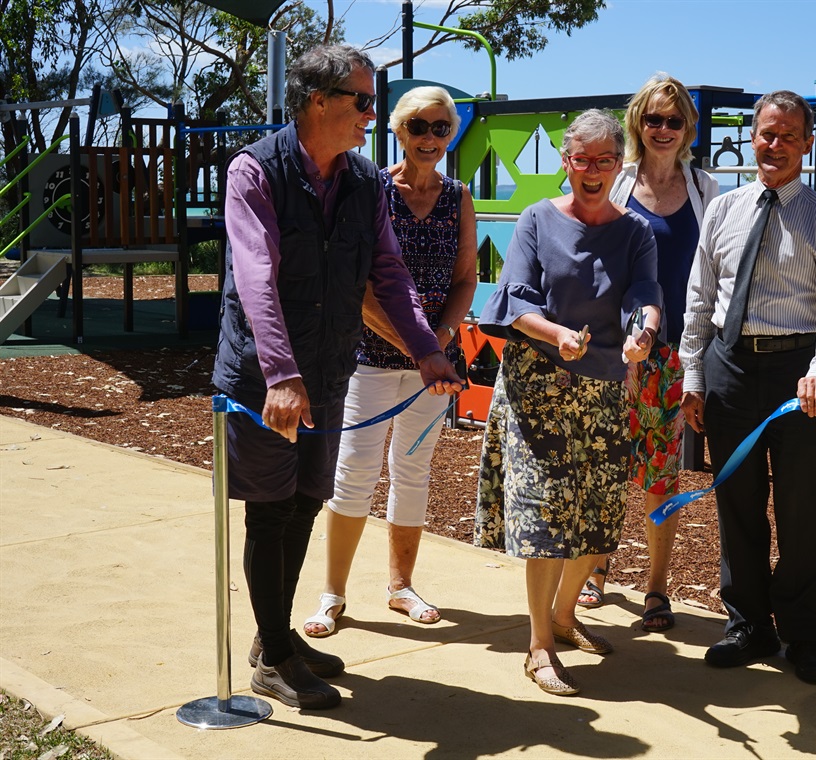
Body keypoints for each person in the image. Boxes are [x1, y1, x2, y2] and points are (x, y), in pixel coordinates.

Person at [213, 45, 461, 710]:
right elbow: (257, 279)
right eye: (362, 99)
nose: (371, 113)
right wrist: (281, 374)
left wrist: (424, 350)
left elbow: (389, 272)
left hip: (325, 372)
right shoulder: (253, 172)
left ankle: (276, 641)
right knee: (270, 515)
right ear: (318, 99)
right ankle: (272, 661)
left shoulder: (362, 181)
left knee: (302, 505)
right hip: (266, 381)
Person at [474, 109, 662, 695]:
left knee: (598, 517)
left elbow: (646, 294)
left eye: (606, 160)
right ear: (566, 161)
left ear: (619, 165)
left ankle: (563, 616)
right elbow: (516, 299)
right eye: (583, 159)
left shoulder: (636, 231)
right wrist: (556, 334)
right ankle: (539, 644)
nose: (594, 171)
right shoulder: (535, 220)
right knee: (545, 516)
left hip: (603, 388)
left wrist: (645, 332)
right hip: (537, 389)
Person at [679, 90, 816, 685]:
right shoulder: (723, 211)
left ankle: (802, 634)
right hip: (729, 370)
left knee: (801, 506)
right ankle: (749, 625)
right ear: (752, 138)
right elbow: (699, 299)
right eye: (765, 134)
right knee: (738, 502)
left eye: (787, 136)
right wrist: (693, 376)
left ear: (807, 143)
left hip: (797, 376)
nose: (774, 145)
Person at [302, 86, 477, 638]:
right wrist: (420, 349)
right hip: (371, 360)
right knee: (353, 472)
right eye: (418, 127)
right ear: (398, 131)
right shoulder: (370, 189)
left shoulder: (458, 197)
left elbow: (465, 278)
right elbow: (356, 287)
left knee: (413, 472)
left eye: (441, 128)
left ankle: (401, 586)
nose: (430, 138)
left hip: (434, 366)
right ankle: (332, 594)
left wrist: (440, 340)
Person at [575, 73, 719, 632]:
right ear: (637, 123)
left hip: (678, 350)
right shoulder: (617, 183)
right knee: (605, 462)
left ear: (687, 128)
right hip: (616, 347)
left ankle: (657, 588)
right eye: (653, 119)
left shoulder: (705, 191)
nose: (662, 129)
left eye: (674, 120)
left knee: (661, 473)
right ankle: (596, 568)